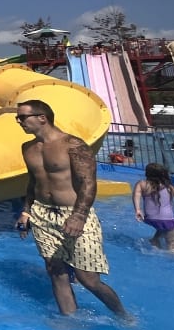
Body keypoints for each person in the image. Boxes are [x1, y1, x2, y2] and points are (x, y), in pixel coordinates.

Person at [15, 99, 127, 318]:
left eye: (22, 117)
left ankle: (123, 315)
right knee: (55, 271)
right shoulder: (27, 148)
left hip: (74, 214)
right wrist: (26, 210)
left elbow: (88, 183)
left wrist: (79, 216)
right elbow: (33, 182)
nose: (18, 122)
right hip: (42, 214)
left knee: (88, 279)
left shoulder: (73, 145)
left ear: (42, 118)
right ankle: (70, 322)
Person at [133, 163, 174, 252]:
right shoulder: (168, 185)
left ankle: (154, 241)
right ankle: (172, 255)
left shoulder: (142, 184)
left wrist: (138, 210)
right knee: (172, 244)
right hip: (167, 219)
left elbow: (136, 194)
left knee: (162, 228)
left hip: (151, 218)